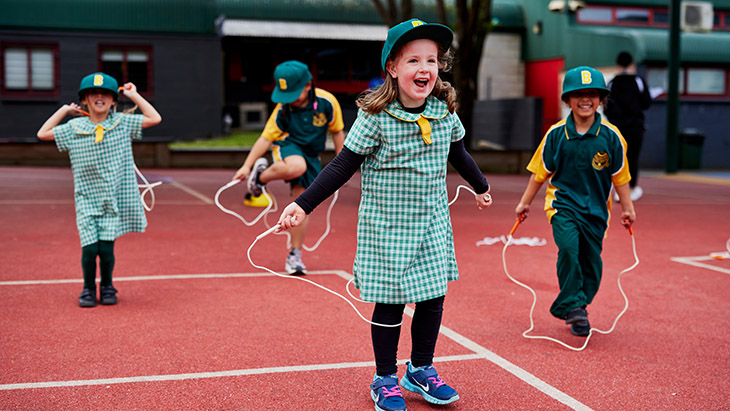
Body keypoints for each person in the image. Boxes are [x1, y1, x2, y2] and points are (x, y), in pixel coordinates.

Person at [276, 19, 492, 411]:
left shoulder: (444, 111)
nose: (424, 68)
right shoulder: (376, 117)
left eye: (432, 59)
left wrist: (480, 185)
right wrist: (302, 203)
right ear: (392, 67)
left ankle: (421, 368)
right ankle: (385, 378)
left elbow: (457, 152)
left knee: (432, 297)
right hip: (387, 228)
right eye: (413, 60)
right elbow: (341, 167)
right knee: (390, 302)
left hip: (431, 226)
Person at [515, 66, 636, 337]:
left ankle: (579, 305)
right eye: (578, 94)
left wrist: (628, 208)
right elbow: (539, 173)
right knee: (569, 249)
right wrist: (525, 203)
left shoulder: (612, 136)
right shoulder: (556, 134)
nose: (585, 99)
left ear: (601, 99)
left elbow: (620, 176)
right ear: (567, 100)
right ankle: (572, 306)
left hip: (596, 211)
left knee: (591, 262)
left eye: (592, 94)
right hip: (562, 206)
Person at [37, 72, 162, 307]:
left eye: (105, 94)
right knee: (89, 248)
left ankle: (107, 286)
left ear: (114, 101)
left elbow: (154, 118)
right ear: (85, 100)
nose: (99, 97)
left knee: (105, 249)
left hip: (112, 199)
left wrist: (134, 95)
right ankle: (87, 288)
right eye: (93, 93)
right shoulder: (74, 128)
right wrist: (64, 111)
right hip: (86, 199)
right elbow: (42, 134)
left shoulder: (122, 124)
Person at [233, 60, 345, 275]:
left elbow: (337, 131)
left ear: (308, 85)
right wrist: (246, 166)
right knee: (296, 166)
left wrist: (342, 165)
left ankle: (295, 254)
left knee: (302, 204)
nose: (290, 99)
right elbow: (265, 139)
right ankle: (260, 177)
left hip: (313, 154)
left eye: (294, 92)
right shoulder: (283, 109)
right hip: (288, 145)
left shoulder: (327, 102)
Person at [604, 51, 651, 201]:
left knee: (616, 157)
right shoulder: (639, 81)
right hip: (635, 126)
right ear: (631, 64)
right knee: (633, 157)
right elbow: (646, 103)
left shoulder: (612, 82)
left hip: (617, 126)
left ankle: (615, 188)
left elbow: (606, 106)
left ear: (617, 65)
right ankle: (629, 189)